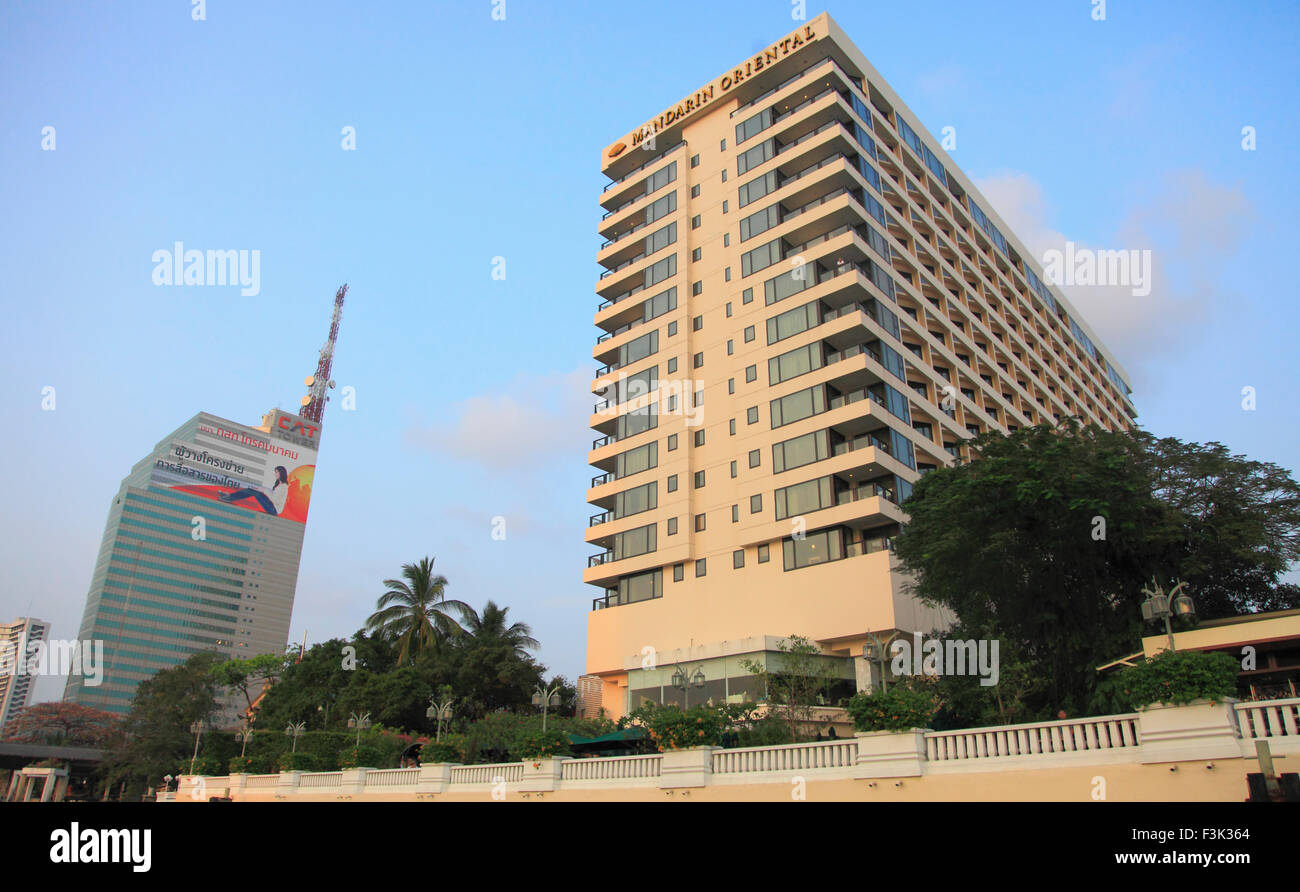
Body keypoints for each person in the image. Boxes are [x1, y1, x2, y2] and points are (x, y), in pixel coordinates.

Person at [219, 466, 289, 516]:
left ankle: (228, 498)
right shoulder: (279, 484)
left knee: (255, 493)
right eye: (275, 472)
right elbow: (272, 494)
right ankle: (229, 496)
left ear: (281, 473)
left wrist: (264, 491)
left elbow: (275, 500)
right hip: (272, 506)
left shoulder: (284, 487)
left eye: (277, 472)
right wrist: (262, 490)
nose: (275, 474)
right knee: (251, 490)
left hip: (274, 510)